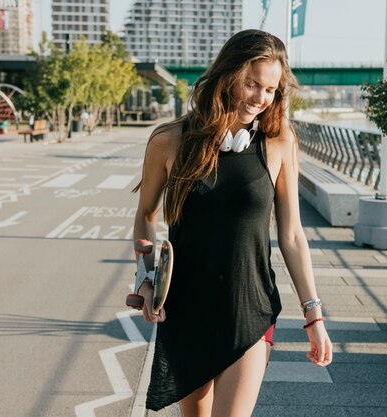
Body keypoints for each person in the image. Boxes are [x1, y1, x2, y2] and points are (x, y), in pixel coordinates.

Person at [132, 29, 332, 417]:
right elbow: (146, 215)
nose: (260, 98)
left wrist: (314, 315)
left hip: (250, 308)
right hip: (187, 309)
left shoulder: (279, 142)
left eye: (270, 90)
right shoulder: (169, 141)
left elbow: (291, 235)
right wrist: (146, 276)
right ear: (228, 76)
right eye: (251, 84)